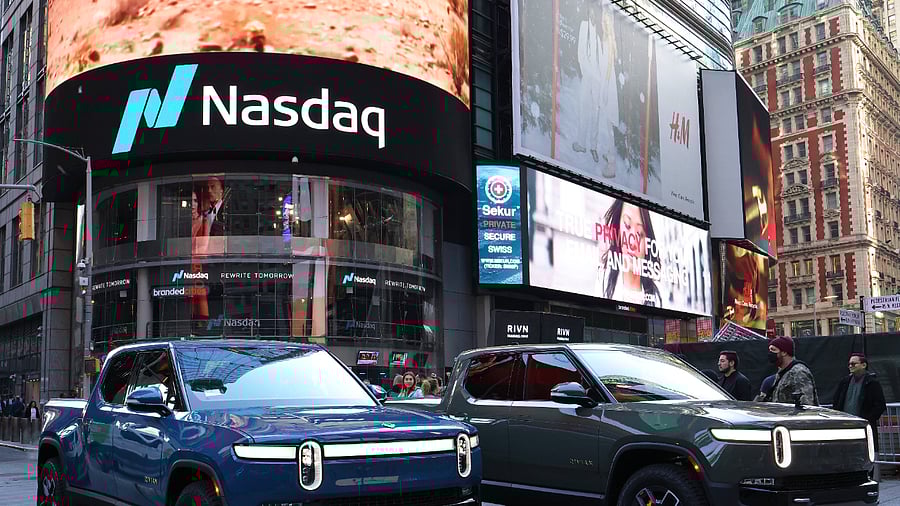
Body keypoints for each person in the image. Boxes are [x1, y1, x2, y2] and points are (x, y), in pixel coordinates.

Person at [573, 0, 618, 176]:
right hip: (589, 77)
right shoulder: (584, 26)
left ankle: (594, 146)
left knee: (599, 114)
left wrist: (602, 81)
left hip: (601, 81)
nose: (593, 14)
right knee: (584, 108)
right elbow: (581, 55)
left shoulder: (603, 31)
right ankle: (582, 143)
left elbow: (607, 61)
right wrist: (592, 75)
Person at [599, 200, 661, 307]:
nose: (632, 242)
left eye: (639, 234)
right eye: (627, 226)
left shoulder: (657, 297)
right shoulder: (602, 281)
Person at [832, 354, 886, 451]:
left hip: (863, 427)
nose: (850, 366)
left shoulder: (872, 383)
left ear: (863, 365)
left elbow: (880, 405)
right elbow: (836, 401)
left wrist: (866, 420)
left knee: (864, 451)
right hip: (845, 426)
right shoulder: (844, 382)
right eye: (849, 364)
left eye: (853, 364)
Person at [765, 336, 819, 405]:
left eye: (773, 350)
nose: (770, 353)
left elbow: (806, 404)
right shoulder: (782, 372)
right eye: (769, 350)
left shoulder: (798, 372)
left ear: (784, 352)